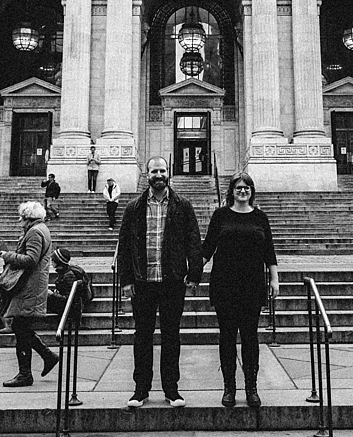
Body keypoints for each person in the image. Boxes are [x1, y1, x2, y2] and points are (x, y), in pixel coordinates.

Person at [117, 156, 202, 407]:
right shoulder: (133, 207)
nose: (159, 175)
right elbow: (124, 246)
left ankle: (171, 389)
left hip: (171, 280)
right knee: (142, 335)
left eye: (162, 170)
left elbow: (193, 240)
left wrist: (194, 273)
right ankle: (140, 389)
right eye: (154, 170)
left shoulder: (182, 205)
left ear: (169, 173)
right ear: (147, 173)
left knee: (171, 335)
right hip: (143, 281)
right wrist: (126, 279)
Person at [202, 173, 279, 409]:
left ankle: (251, 388)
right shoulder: (220, 215)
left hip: (252, 285)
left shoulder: (260, 217)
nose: (243, 191)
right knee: (226, 337)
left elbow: (269, 251)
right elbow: (207, 248)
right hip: (225, 285)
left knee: (250, 337)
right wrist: (192, 271)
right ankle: (229, 388)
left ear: (252, 191)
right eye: (239, 188)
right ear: (232, 191)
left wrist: (275, 279)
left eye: (246, 188)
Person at [0, 201, 59, 386]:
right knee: (21, 327)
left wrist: (7, 255)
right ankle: (47, 356)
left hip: (29, 286)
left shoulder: (35, 232)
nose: (20, 221)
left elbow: (31, 259)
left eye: (22, 218)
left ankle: (26, 374)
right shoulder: (40, 229)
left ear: (29, 218)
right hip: (32, 285)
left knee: (20, 327)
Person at [47, 247, 90, 319]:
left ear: (58, 261)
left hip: (71, 308)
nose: (51, 261)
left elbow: (69, 298)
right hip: (69, 305)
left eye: (53, 260)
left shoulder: (69, 276)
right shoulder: (64, 271)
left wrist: (53, 294)